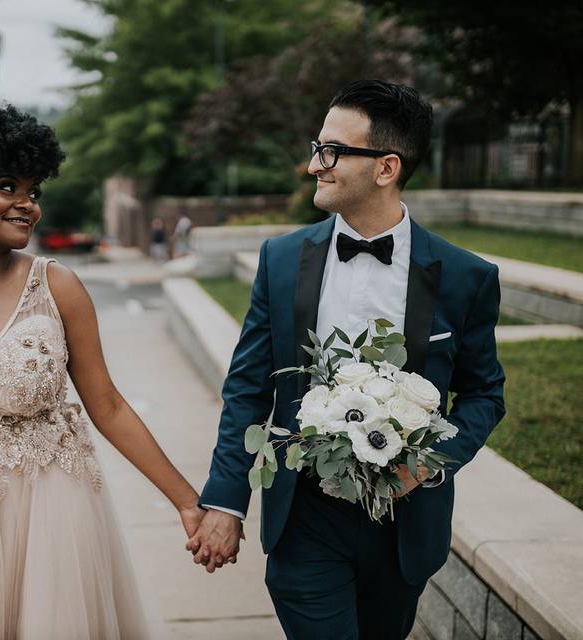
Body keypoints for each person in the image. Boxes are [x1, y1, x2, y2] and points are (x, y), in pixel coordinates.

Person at [186, 80, 506, 639]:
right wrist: (226, 502)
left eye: (332, 151)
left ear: (386, 168)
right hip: (303, 516)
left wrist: (428, 462)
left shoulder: (466, 277)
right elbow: (248, 389)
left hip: (404, 524)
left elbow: (484, 393)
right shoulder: (281, 260)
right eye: (318, 147)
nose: (315, 165)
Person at [0, 104, 204, 638]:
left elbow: (109, 407)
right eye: (7, 186)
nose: (27, 205)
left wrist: (187, 501)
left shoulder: (57, 288)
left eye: (33, 191)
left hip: (45, 513)